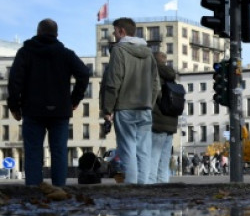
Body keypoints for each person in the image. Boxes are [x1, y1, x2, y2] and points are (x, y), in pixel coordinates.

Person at [7, 19, 90, 186]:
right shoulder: (66, 54)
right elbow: (84, 74)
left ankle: (33, 192)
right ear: (56, 35)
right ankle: (59, 189)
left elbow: (15, 80)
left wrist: (14, 106)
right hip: (60, 110)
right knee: (59, 152)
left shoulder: (25, 53)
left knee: (33, 152)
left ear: (38, 32)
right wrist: (74, 100)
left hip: (32, 110)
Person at [100, 17, 160, 184]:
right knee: (144, 151)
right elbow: (156, 85)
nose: (114, 35)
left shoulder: (119, 51)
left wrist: (108, 109)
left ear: (121, 31)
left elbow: (113, 82)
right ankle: (144, 187)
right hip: (145, 109)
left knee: (128, 150)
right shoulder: (149, 54)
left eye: (114, 32)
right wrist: (149, 104)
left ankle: (132, 188)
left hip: (125, 108)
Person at [147, 52, 177, 184]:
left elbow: (155, 97)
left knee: (153, 157)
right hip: (171, 122)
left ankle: (151, 185)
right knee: (164, 159)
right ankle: (164, 184)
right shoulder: (171, 77)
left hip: (158, 122)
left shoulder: (154, 76)